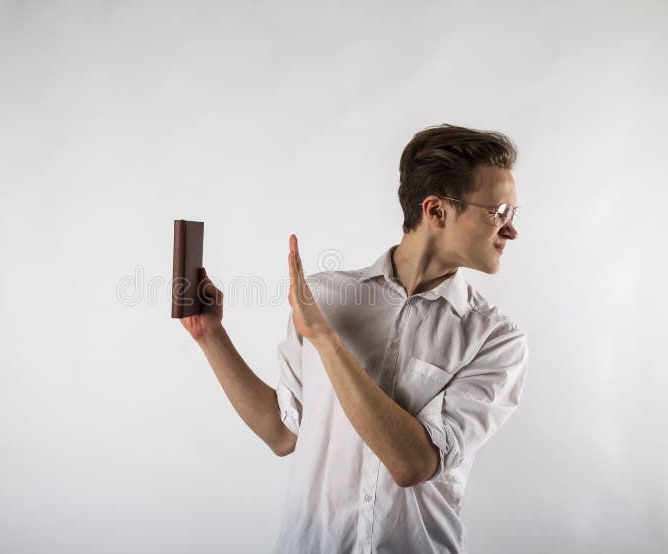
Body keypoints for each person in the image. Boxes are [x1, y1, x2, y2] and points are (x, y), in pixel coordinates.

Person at [180, 123, 528, 553]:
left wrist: (326, 339)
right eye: (498, 212)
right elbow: (283, 434)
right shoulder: (324, 297)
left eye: (513, 214)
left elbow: (413, 463)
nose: (511, 230)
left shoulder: (495, 340)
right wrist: (211, 336)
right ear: (436, 211)